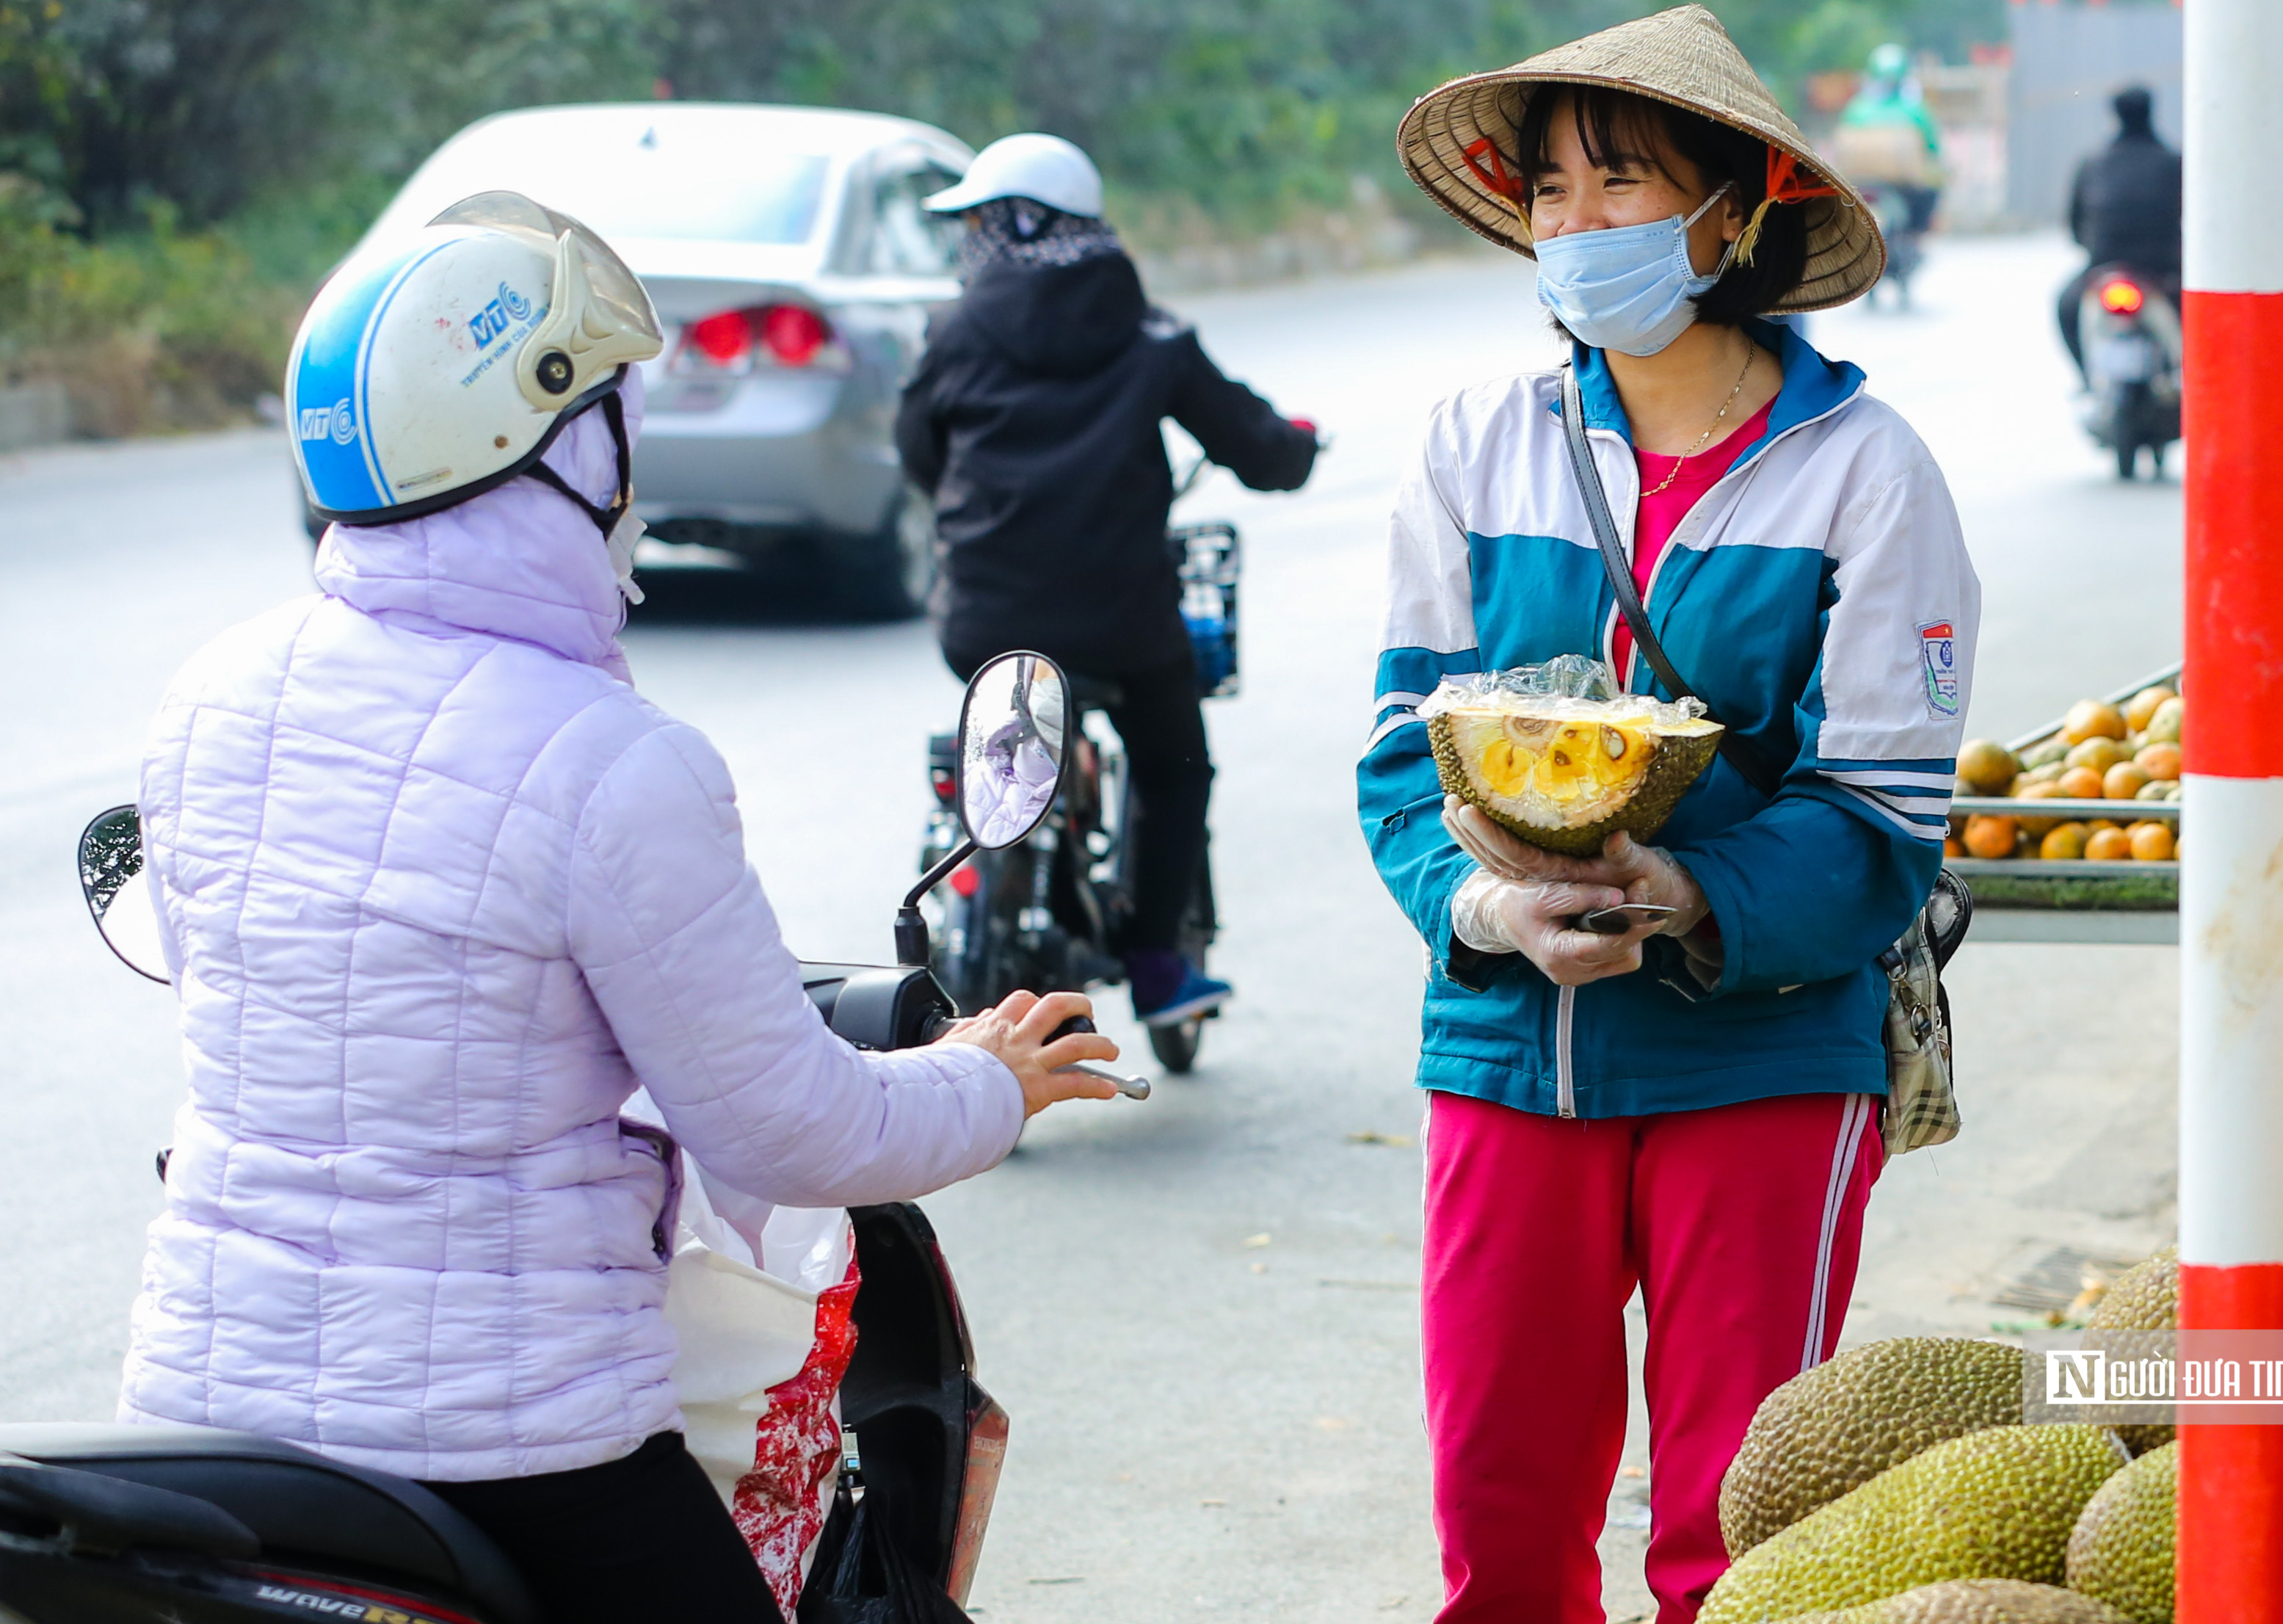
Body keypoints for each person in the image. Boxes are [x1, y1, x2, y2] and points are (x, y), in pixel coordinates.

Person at [120, 191, 1122, 1624]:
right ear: (557, 439)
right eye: (615, 414)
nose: (634, 452)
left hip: (201, 1418)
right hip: (501, 1439)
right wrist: (984, 1080)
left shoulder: (207, 693)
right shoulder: (610, 758)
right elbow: (789, 1128)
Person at [1368, 9, 1978, 1622]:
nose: (1575, 224)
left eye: (1621, 183)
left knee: (1737, 1527)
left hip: (1766, 1051)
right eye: (1550, 187)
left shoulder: (1868, 473)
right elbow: (1396, 754)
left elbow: (1880, 812)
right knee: (1498, 1517)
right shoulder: (1471, 444)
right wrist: (1486, 909)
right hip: (1507, 1043)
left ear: (1737, 205)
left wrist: (1687, 892)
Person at [894, 133, 1321, 1028]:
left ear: (1012, 223)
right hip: (1123, 623)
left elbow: (919, 454)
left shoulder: (953, 331)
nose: (968, 238)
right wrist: (1295, 447)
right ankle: (1160, 966)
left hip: (984, 619)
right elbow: (1258, 447)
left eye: (976, 220)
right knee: (1174, 769)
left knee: (979, 733)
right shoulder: (1152, 334)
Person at [2058, 85, 2181, 381]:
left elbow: (2075, 225)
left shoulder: (2093, 163)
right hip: (2162, 272)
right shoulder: (2173, 163)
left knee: (2065, 306)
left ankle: (2087, 380)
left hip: (2104, 269)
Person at [1836, 42, 1942, 238]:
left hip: (1859, 183)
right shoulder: (1916, 109)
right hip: (1903, 185)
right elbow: (1933, 147)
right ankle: (1916, 236)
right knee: (1931, 192)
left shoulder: (1857, 107)